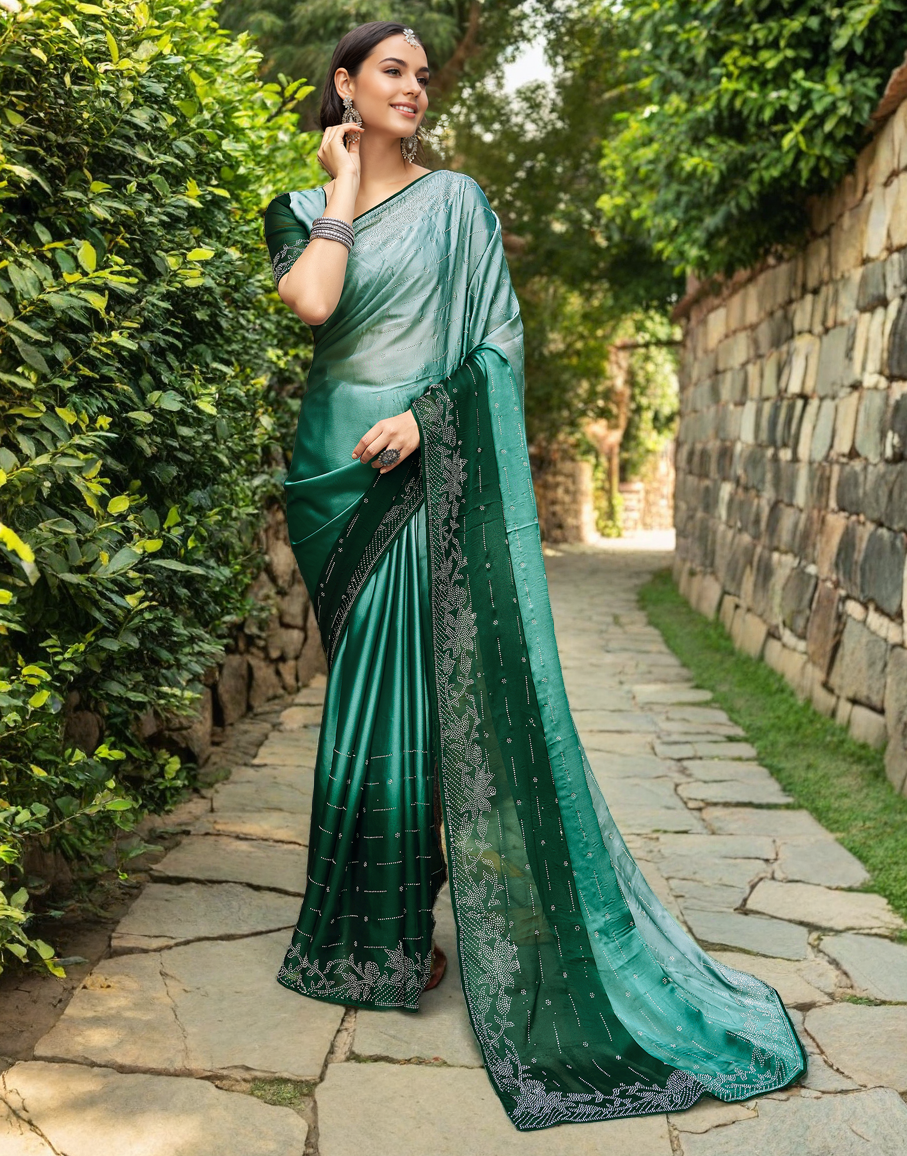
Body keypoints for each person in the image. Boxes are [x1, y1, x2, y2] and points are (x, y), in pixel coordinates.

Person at [262, 20, 807, 1132]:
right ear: (346, 86)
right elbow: (314, 303)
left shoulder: (458, 204)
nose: (414, 88)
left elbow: (495, 345)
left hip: (420, 466)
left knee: (415, 704)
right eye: (393, 72)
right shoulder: (300, 209)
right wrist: (339, 186)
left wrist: (428, 419)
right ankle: (371, 933)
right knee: (368, 697)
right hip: (331, 475)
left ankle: (393, 932)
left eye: (422, 75)